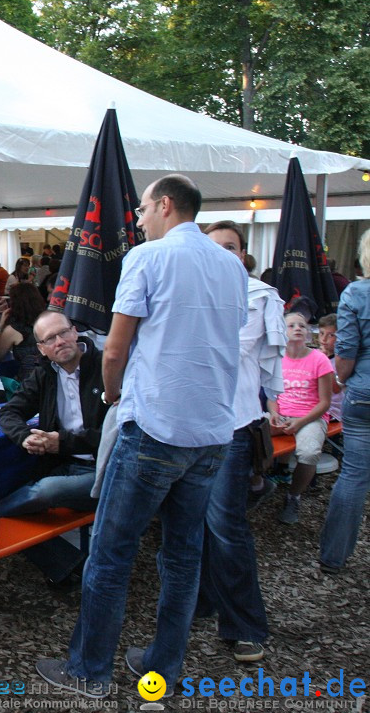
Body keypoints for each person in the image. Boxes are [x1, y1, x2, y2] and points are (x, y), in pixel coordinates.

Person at [37, 174, 247, 697]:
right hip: (212, 429)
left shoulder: (148, 259)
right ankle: (164, 666)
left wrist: (110, 396)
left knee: (111, 554)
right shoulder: (231, 265)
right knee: (181, 556)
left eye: (144, 209)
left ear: (167, 206)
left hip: (156, 426)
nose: (138, 218)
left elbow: (115, 349)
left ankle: (88, 670)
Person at [199, 220, 286, 663]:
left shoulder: (258, 297)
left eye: (231, 247)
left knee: (226, 526)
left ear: (244, 255)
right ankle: (203, 600)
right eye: (214, 247)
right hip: (187, 425)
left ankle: (246, 626)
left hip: (231, 427)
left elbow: (248, 358)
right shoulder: (188, 296)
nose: (223, 255)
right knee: (191, 521)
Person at [0, 310, 107, 585]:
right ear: (42, 349)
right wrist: (24, 437)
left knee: (45, 492)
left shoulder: (107, 367)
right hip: (62, 464)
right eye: (50, 339)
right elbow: (10, 412)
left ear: (75, 332)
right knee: (22, 502)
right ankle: (67, 565)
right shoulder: (44, 374)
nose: (60, 342)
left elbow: (119, 434)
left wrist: (63, 442)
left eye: (63, 333)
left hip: (106, 470)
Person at [320, 228, 370, 574]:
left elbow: (346, 354)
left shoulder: (356, 293)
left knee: (353, 476)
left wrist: (338, 379)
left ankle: (333, 558)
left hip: (363, 395)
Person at [268, 311, 333, 524]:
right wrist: (275, 414)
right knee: (250, 439)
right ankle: (258, 485)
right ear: (282, 332)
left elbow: (325, 402)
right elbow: (272, 395)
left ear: (307, 333)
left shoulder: (319, 359)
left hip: (310, 416)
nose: (298, 328)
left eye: (302, 326)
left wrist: (300, 422)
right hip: (283, 414)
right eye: (292, 325)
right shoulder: (277, 359)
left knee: (308, 452)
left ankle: (293, 496)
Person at [316, 313, 345, 422]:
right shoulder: (313, 356)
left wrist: (324, 361)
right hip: (312, 406)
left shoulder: (342, 360)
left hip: (333, 410)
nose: (323, 339)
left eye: (331, 335)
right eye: (321, 333)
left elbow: (336, 389)